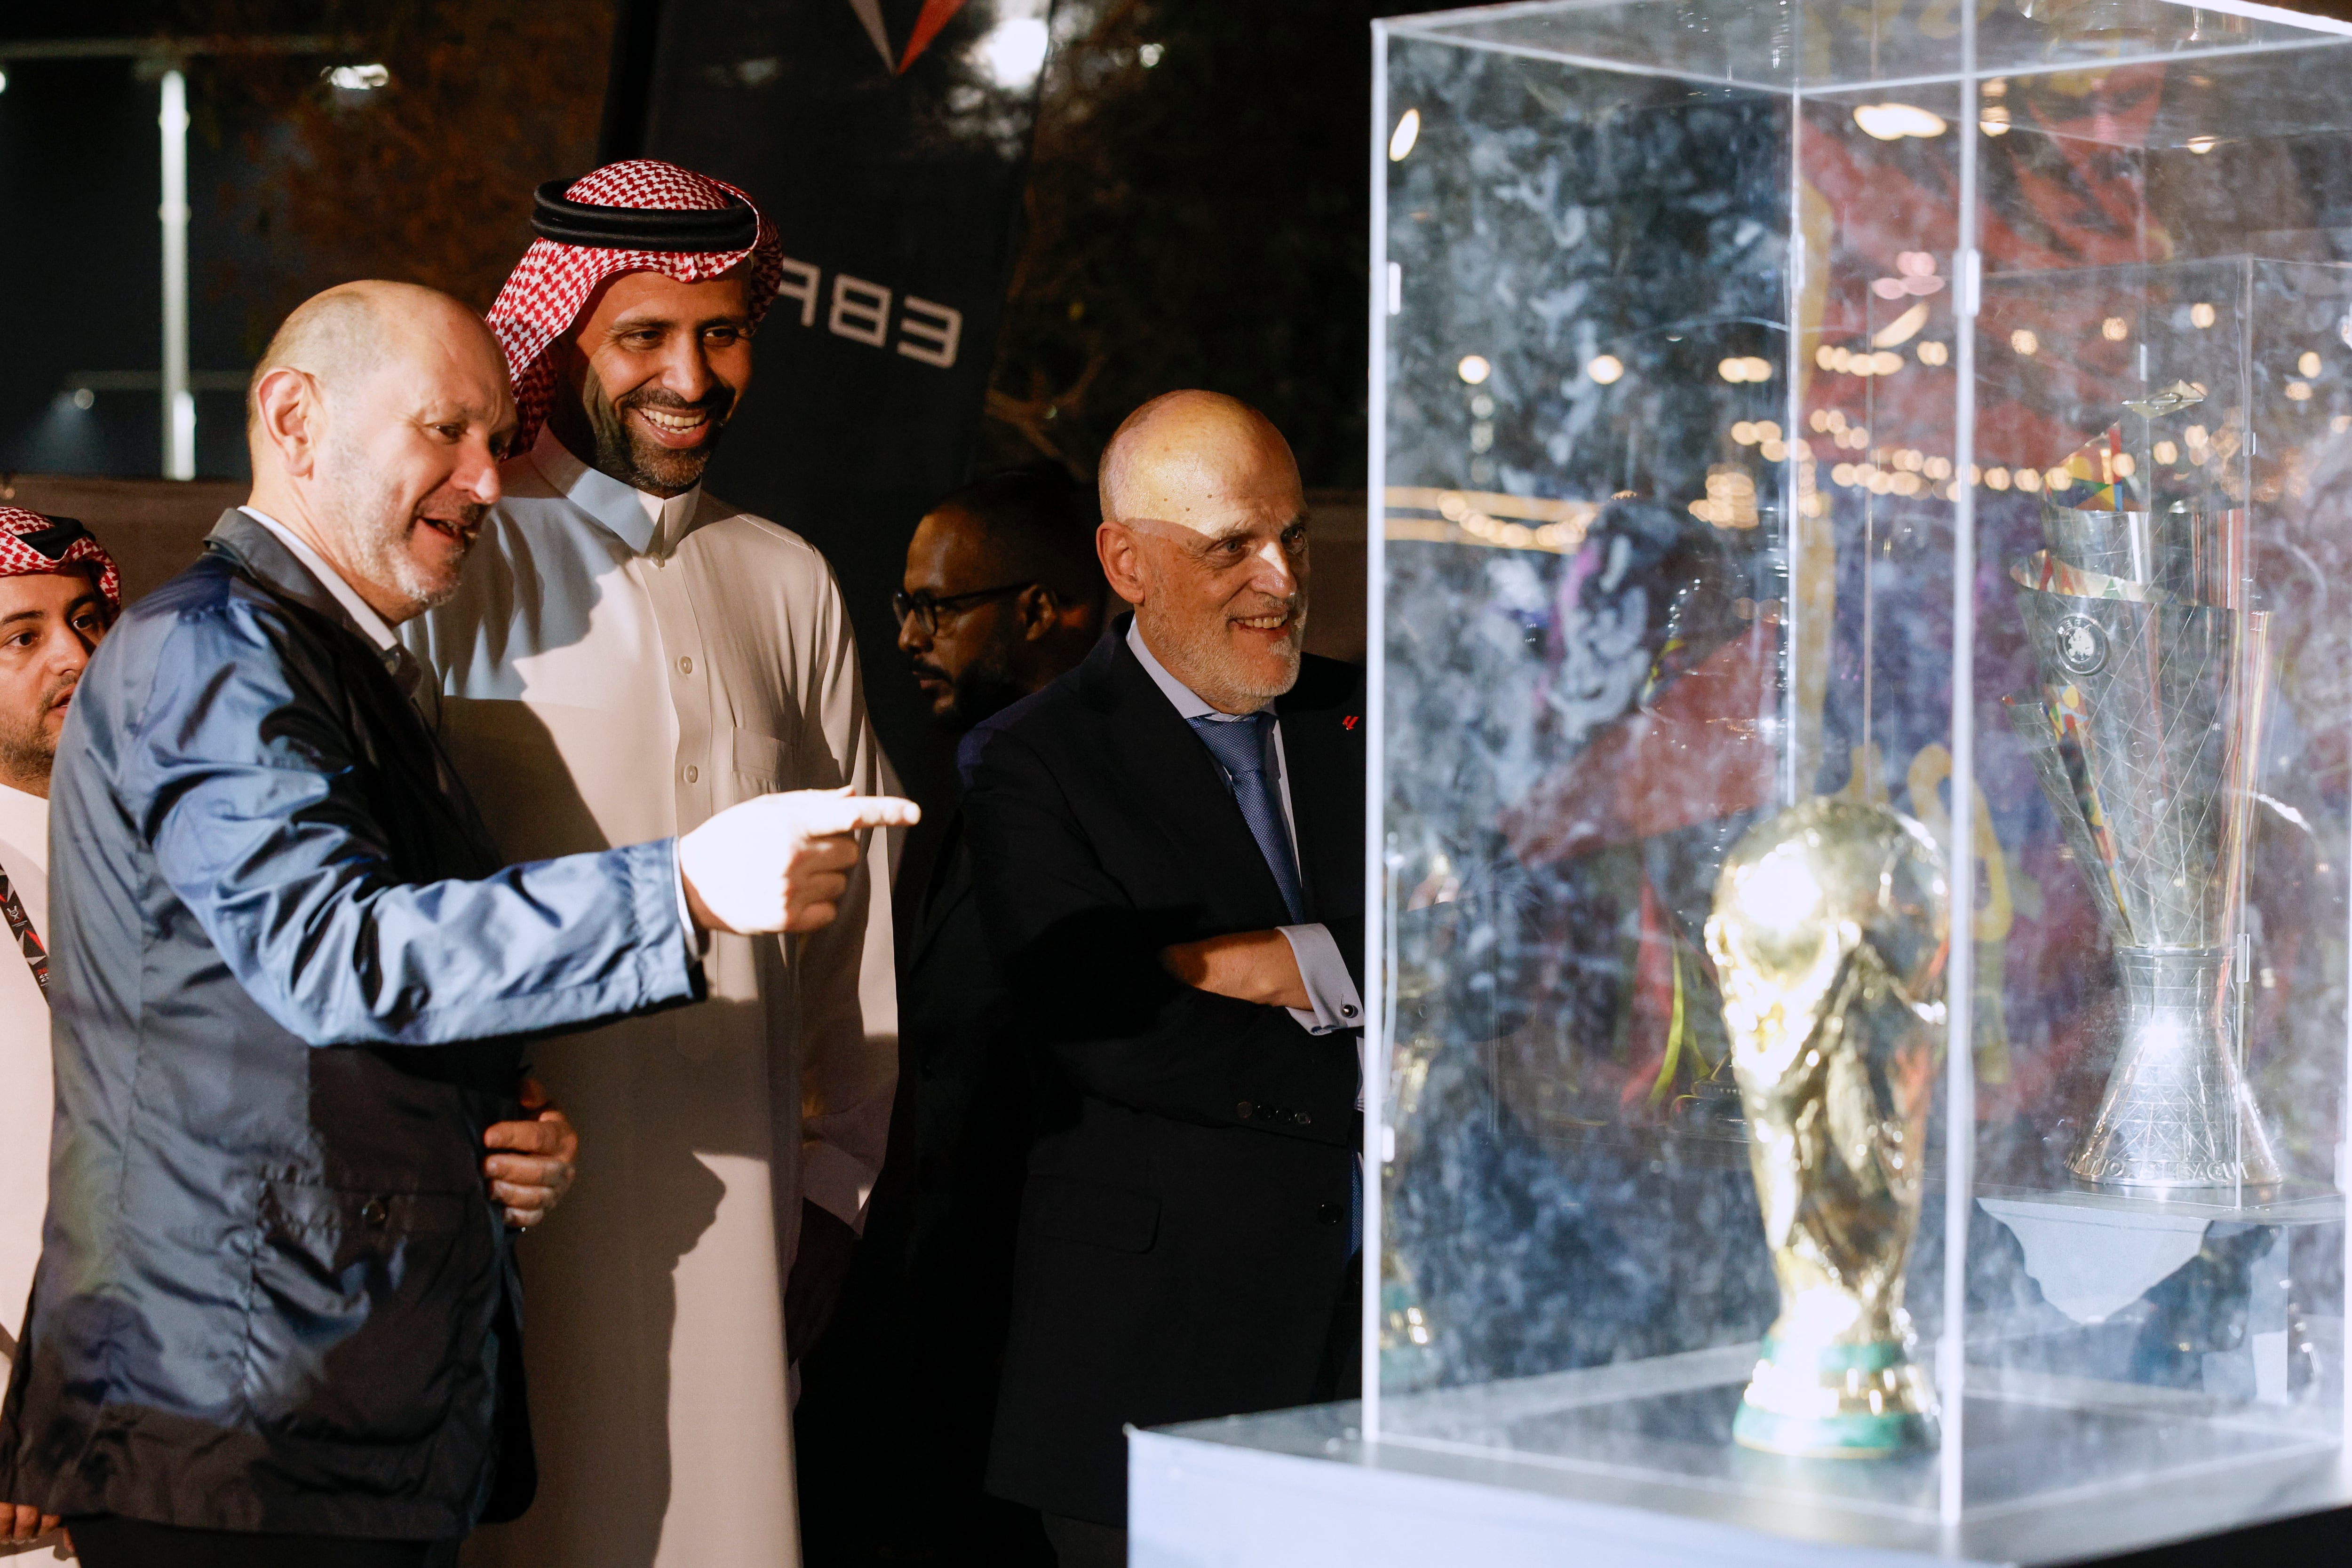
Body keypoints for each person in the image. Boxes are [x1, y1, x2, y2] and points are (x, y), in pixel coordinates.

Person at [0, 282, 915, 1568]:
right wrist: (683, 890)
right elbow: (335, 953)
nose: (488, 482)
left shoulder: (338, 663)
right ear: (295, 419)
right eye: (447, 432)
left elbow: (281, 1028)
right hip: (232, 1421)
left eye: (497, 441)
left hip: (326, 1412)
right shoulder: (210, 653)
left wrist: (490, 1127)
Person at [401, 160, 904, 1568]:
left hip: (750, 1222)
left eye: (723, 333)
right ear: (560, 336)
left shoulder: (787, 575)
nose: (690, 376)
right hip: (519, 1223)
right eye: (643, 336)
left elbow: (852, 935)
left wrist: (832, 1191)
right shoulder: (457, 560)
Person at [0, 512, 588, 1568]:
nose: (75, 657)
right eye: (21, 636)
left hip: (263, 1433)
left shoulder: (232, 832)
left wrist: (503, 1145)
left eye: (89, 620)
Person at [961, 392, 1365, 1566]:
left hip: (1387, 1375)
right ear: (1125, 562)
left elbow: (1488, 939)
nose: (1281, 579)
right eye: (1231, 545)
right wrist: (1373, 1061)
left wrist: (1299, 961)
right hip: (1158, 1370)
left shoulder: (1374, 719)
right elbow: (1105, 1018)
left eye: (1293, 535)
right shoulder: (1031, 759)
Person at [796, 463, 1104, 1567]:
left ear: (1043, 607)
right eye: (905, 607)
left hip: (1049, 1347)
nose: (909, 637)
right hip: (936, 1334)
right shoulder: (965, 777)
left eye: (938, 608)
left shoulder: (1123, 788)